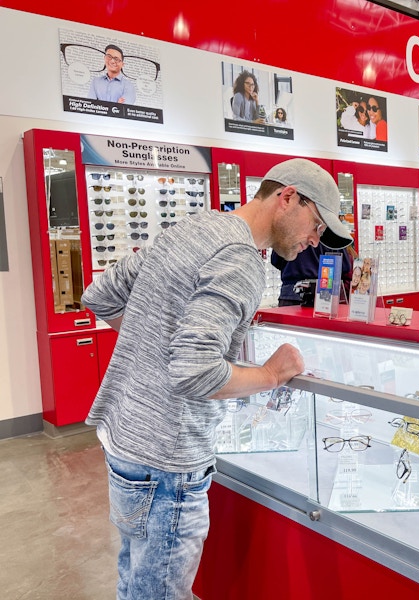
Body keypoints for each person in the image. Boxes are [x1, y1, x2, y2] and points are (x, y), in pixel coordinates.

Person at [80, 158, 352, 599]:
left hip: (125, 442)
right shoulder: (241, 261)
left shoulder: (192, 228)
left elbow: (101, 295)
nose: (312, 241)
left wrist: (159, 339)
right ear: (287, 198)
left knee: (135, 583)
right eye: (316, 225)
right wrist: (269, 373)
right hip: (168, 459)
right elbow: (195, 371)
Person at [271, 242, 354, 306]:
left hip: (290, 293)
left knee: (286, 327)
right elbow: (345, 265)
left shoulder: (289, 227)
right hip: (323, 295)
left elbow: (275, 260)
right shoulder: (330, 229)